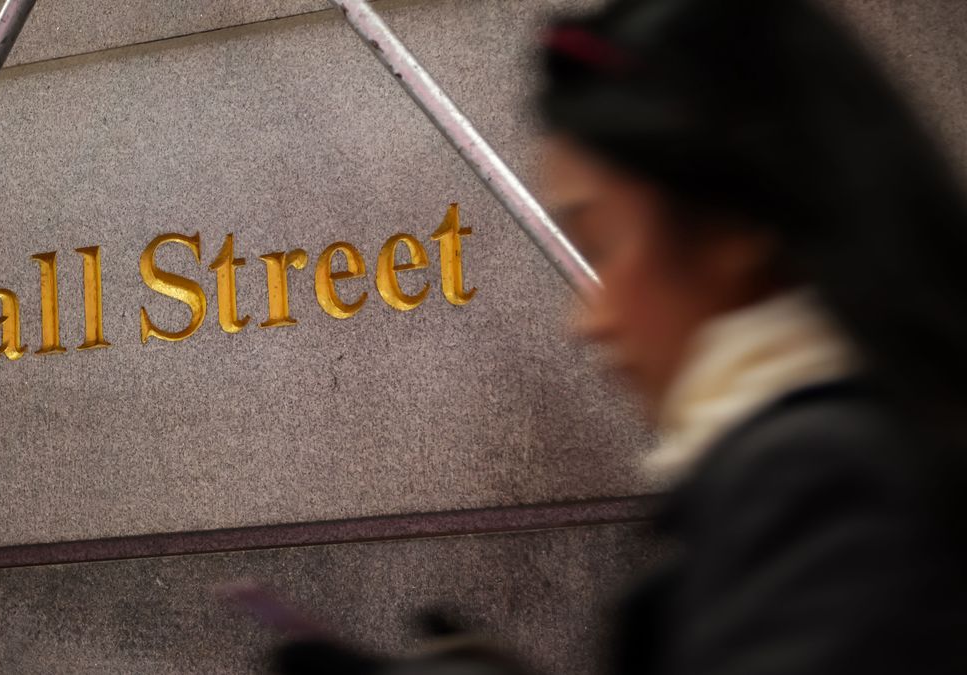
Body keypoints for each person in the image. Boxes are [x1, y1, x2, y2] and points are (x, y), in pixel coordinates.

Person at [271, 0, 967, 672]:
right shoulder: (868, 446)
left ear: (734, 226)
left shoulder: (822, 485)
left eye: (602, 242)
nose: (588, 320)